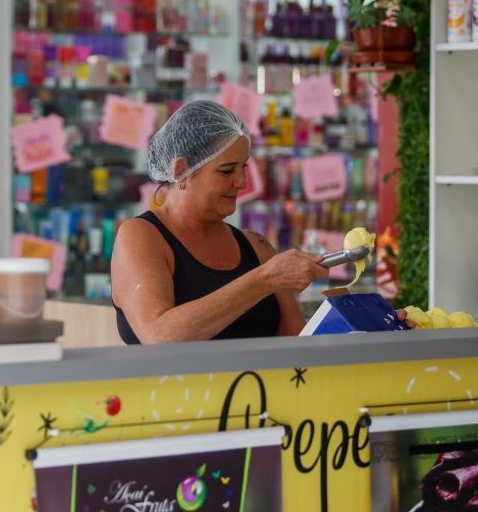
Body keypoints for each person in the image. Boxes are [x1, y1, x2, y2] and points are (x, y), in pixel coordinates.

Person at [111, 100, 329, 344]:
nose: (242, 182)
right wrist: (264, 279)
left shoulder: (256, 246)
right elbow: (160, 335)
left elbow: (295, 342)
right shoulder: (141, 236)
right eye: (227, 171)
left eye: (243, 167)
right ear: (181, 170)